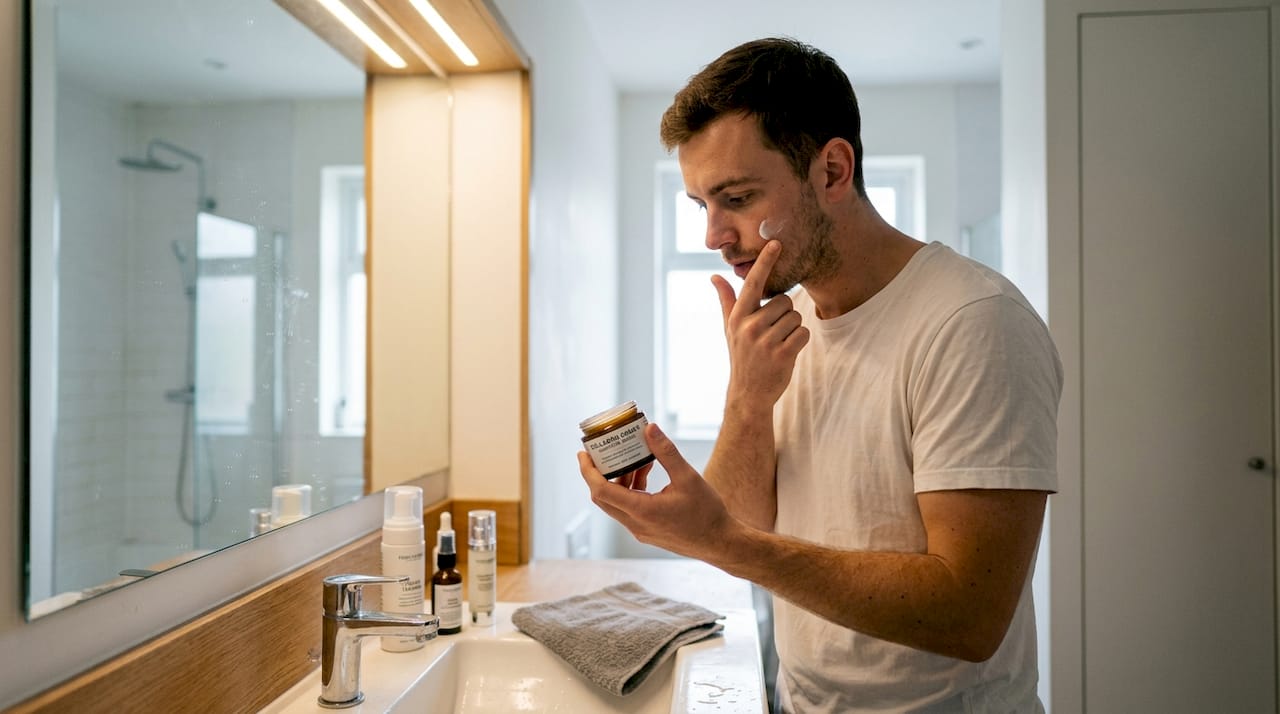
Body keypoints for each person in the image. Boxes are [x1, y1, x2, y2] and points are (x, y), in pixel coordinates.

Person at [578, 37, 1062, 713]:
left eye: (738, 198)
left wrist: (721, 540)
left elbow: (969, 615)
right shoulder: (785, 323)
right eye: (701, 206)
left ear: (832, 170)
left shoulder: (974, 323)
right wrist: (746, 397)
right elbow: (747, 522)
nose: (713, 236)